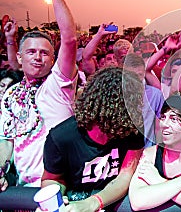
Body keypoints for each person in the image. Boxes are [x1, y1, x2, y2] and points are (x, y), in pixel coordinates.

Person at [0, 0, 78, 190]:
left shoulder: (58, 84)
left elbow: (70, 39)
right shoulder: (11, 95)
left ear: (53, 59)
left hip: (62, 186)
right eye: (31, 52)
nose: (38, 57)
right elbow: (6, 139)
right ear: (20, 59)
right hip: (23, 189)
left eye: (45, 52)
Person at [41, 67, 144, 211]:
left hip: (112, 203)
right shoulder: (61, 137)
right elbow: (52, 178)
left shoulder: (132, 131)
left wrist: (94, 202)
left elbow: (125, 177)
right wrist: (57, 197)